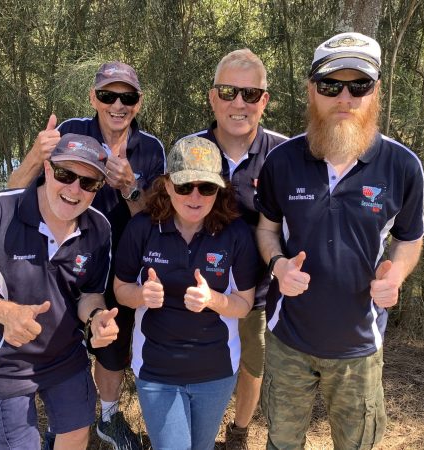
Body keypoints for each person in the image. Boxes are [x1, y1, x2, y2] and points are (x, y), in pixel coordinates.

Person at [254, 32, 424, 450]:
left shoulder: (402, 166)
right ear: (312, 91)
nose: (344, 97)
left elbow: (409, 238)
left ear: (375, 91)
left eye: (358, 85)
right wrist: (277, 265)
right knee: (282, 443)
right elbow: (266, 229)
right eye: (331, 85)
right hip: (287, 339)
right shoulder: (283, 160)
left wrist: (396, 275)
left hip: (359, 347)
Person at [8, 61, 165, 449]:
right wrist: (34, 155)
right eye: (108, 95)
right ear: (94, 97)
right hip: (62, 263)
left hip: (122, 269)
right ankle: (58, 424)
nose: (117, 105)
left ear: (138, 103)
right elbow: (11, 195)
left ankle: (107, 420)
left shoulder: (152, 149)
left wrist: (130, 188)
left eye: (127, 97)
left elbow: (158, 223)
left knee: (111, 347)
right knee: (53, 342)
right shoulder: (68, 134)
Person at [0, 134, 120, 450]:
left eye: (88, 182)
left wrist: (96, 318)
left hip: (65, 356)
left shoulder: (99, 228)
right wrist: (8, 312)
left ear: (98, 188)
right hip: (3, 364)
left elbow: (89, 294)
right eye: (66, 174)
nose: (74, 189)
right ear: (48, 169)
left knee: (77, 431)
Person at [113, 136, 260, 450]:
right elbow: (120, 289)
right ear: (167, 186)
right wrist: (141, 295)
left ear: (218, 189)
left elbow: (245, 304)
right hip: (156, 371)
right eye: (184, 186)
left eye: (205, 188)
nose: (195, 197)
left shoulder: (235, 234)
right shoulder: (142, 228)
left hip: (216, 372)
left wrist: (214, 300)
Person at [188, 49, 287, 449]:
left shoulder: (284, 155)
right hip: (196, 287)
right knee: (197, 363)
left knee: (252, 364)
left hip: (257, 293)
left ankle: (239, 433)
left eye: (250, 93)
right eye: (228, 91)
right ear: (213, 97)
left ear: (264, 100)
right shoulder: (190, 149)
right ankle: (195, 434)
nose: (239, 103)